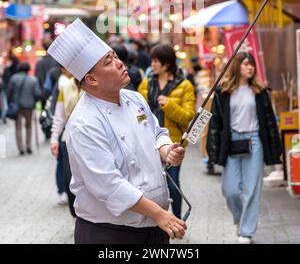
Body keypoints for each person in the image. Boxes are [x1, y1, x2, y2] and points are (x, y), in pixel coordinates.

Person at [48, 19, 187, 244]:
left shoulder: (134, 98)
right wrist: (160, 214)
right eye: (108, 61)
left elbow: (157, 132)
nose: (120, 63)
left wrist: (165, 150)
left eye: (115, 56)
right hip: (109, 234)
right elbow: (108, 184)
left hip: (154, 226)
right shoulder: (85, 122)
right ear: (91, 79)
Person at [207, 52, 282, 244]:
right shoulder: (223, 92)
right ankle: (241, 221)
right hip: (231, 142)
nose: (251, 68)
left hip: (255, 140)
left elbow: (270, 122)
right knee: (229, 189)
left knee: (252, 189)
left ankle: (246, 231)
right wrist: (213, 151)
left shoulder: (260, 91)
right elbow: (215, 123)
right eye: (246, 64)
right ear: (237, 66)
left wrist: (275, 149)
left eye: (252, 65)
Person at [138, 44, 195, 219]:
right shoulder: (147, 83)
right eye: (152, 60)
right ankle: (158, 220)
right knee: (151, 185)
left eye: (156, 61)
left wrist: (169, 104)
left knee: (172, 183)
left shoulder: (184, 85)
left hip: (173, 143)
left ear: (167, 63)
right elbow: (138, 112)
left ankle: (177, 219)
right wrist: (143, 122)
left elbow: (188, 116)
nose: (152, 64)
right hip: (149, 142)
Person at [50, 69, 81, 215]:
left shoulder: (94, 83)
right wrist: (54, 138)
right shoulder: (66, 86)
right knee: (70, 180)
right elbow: (59, 115)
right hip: (68, 140)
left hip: (93, 139)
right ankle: (75, 216)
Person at [7, 62, 42, 155]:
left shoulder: (13, 78)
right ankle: (28, 146)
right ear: (28, 69)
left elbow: (9, 93)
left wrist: (10, 103)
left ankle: (21, 148)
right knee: (28, 126)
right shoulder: (33, 80)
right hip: (29, 106)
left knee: (18, 127)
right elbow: (37, 94)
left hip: (17, 106)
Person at [35, 38, 59, 108]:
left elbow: (38, 78)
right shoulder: (58, 61)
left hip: (44, 95)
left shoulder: (40, 63)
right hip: (57, 93)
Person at [2, 52, 20, 122]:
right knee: (6, 102)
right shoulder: (13, 70)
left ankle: (6, 115)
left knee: (5, 102)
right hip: (9, 88)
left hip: (6, 87)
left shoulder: (8, 69)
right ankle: (6, 115)